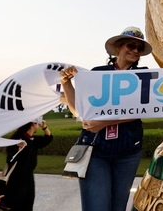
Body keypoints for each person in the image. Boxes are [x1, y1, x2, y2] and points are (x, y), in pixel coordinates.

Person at [60, 26, 151, 211]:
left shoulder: (143, 75)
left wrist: (104, 122)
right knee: (97, 206)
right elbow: (79, 110)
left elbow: (141, 110)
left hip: (127, 151)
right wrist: (66, 82)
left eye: (139, 48)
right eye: (131, 45)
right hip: (96, 150)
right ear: (118, 47)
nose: (135, 50)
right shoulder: (97, 72)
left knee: (118, 207)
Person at [4, 117, 53, 211]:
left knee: (28, 206)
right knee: (16, 207)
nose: (38, 126)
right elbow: (10, 159)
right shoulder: (19, 140)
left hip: (28, 180)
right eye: (37, 124)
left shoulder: (32, 140)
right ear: (32, 124)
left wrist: (44, 127)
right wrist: (18, 150)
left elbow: (48, 139)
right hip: (16, 181)